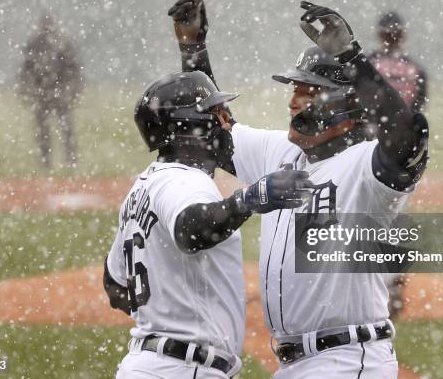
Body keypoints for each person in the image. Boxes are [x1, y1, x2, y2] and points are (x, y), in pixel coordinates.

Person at [169, 0, 428, 378]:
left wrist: (354, 60)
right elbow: (217, 135)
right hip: (297, 364)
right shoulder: (281, 154)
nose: (293, 101)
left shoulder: (365, 168)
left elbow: (410, 137)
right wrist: (194, 50)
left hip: (347, 360)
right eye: (295, 89)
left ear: (343, 103)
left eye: (308, 92)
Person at [103, 69, 313, 378]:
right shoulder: (185, 181)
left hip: (149, 364)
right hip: (183, 368)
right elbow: (191, 231)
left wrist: (166, 312)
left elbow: (114, 283)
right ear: (191, 125)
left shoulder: (143, 188)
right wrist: (251, 199)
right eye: (218, 114)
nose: (227, 123)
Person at [368, 11, 429, 317]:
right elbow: (417, 116)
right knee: (396, 218)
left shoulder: (367, 65)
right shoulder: (415, 70)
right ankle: (394, 285)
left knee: (362, 216)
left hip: (369, 151)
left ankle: (371, 287)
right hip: (401, 155)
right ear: (401, 35)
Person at [18, 13, 83, 169]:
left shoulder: (59, 43)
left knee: (62, 129)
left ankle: (67, 160)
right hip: (45, 93)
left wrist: (71, 91)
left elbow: (73, 70)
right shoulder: (38, 44)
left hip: (56, 93)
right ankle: (49, 161)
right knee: (46, 130)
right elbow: (27, 70)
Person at [368, 11, 428, 114]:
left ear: (379, 34)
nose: (391, 37)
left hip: (374, 123)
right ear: (403, 34)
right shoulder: (415, 69)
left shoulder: (368, 63)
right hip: (403, 124)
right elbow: (418, 102)